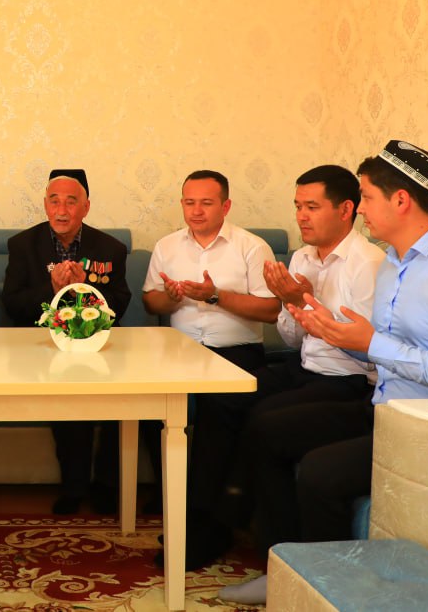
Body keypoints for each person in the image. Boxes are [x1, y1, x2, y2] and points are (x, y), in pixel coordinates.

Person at [219, 141, 428, 605]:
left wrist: (370, 342)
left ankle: (332, 588)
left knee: (319, 473)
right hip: (385, 410)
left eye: (368, 197)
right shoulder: (395, 264)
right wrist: (323, 324)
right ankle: (284, 568)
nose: (360, 210)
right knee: (272, 433)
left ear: (401, 200)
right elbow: (379, 351)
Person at [185, 165, 385, 568]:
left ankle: (233, 528)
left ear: (346, 209)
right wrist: (293, 305)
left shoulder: (369, 263)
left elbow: (369, 352)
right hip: (303, 366)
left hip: (347, 379)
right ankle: (204, 519)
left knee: (263, 420)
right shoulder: (301, 257)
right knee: (220, 398)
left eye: (312, 207)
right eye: (298, 206)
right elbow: (293, 340)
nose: (301, 217)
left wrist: (308, 302)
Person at [142, 169, 280, 567]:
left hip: (235, 352)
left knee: (217, 414)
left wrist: (216, 296)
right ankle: (176, 508)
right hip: (179, 352)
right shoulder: (167, 245)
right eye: (189, 202)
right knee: (150, 406)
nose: (196, 210)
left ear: (226, 205)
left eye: (206, 202)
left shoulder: (252, 247)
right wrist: (171, 298)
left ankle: (205, 526)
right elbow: (151, 302)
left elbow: (271, 310)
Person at [2, 168, 131, 514]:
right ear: (45, 205)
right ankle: (74, 487)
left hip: (97, 345)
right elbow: (13, 304)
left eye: (71, 202)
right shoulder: (22, 245)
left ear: (85, 207)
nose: (61, 211)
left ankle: (107, 485)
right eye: (54, 201)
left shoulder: (111, 249)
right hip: (42, 346)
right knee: (69, 388)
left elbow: (119, 305)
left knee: (126, 395)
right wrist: (52, 289)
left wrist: (85, 288)